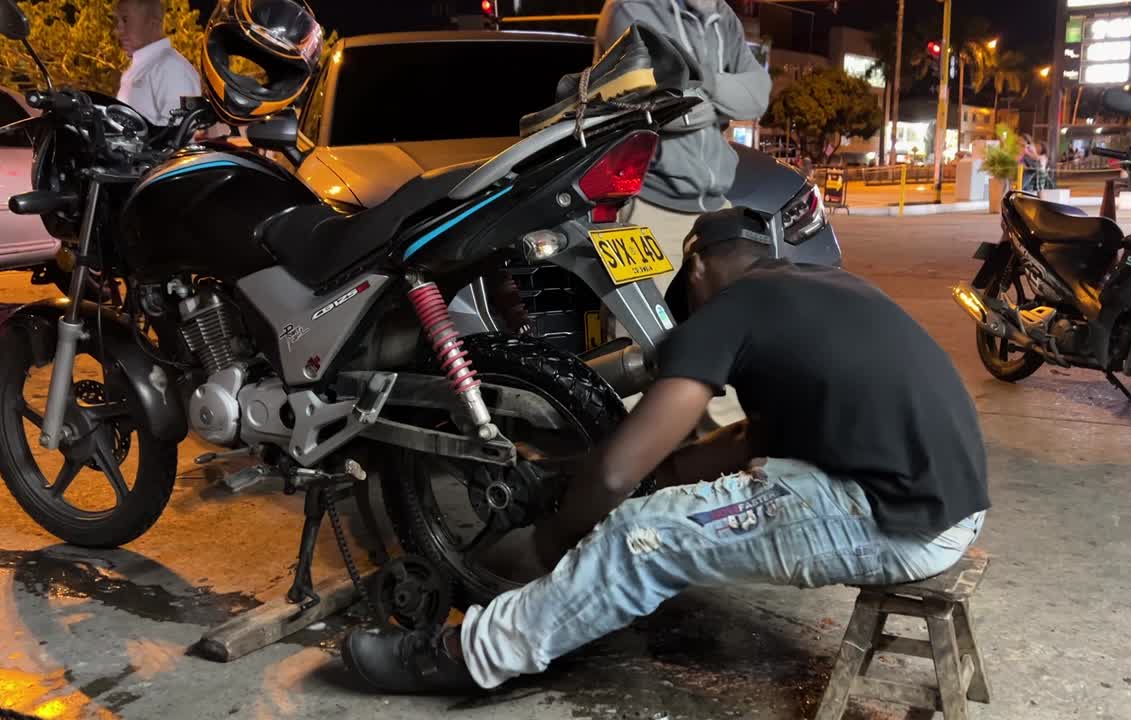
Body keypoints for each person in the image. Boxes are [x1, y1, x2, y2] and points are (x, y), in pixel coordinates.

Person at [340, 207, 991, 695]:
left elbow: (620, 469)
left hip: (896, 522)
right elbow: (748, 439)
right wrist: (668, 476)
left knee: (642, 538)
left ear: (699, 266)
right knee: (677, 509)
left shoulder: (733, 308)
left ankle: (466, 659)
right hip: (947, 504)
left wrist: (562, 528)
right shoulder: (824, 288)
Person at [596, 0, 771, 300]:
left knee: (724, 333)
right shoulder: (631, 8)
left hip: (714, 210)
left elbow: (758, 95)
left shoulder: (724, 18)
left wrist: (705, 82)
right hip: (647, 207)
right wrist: (723, 102)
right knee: (640, 343)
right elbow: (663, 108)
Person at [114, 0, 201, 126]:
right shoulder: (141, 68)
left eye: (125, 20)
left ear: (153, 24)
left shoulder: (172, 69)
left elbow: (178, 134)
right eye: (118, 21)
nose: (118, 30)